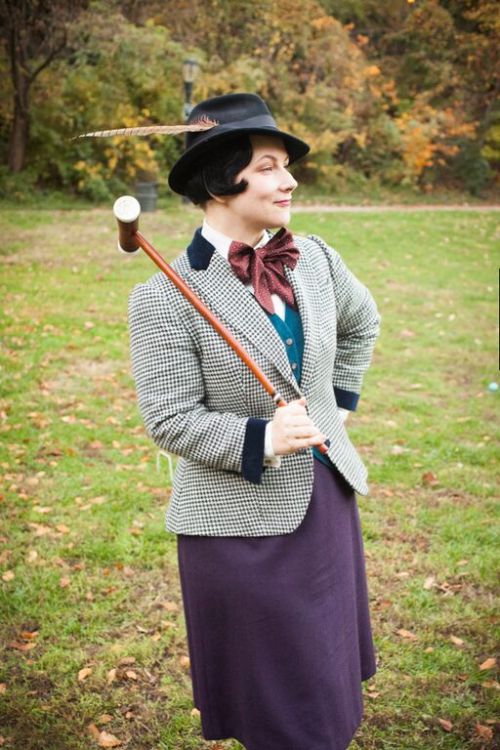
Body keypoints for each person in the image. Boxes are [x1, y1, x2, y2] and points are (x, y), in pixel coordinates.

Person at [128, 93, 381, 750]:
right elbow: (170, 419)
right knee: (277, 707)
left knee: (325, 686)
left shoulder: (316, 259)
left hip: (324, 503)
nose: (288, 180)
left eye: (285, 166)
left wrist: (335, 407)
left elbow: (362, 323)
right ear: (220, 179)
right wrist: (262, 438)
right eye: (268, 166)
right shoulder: (163, 297)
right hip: (237, 530)